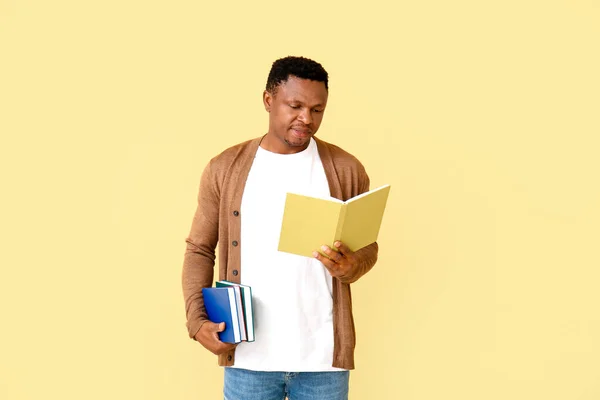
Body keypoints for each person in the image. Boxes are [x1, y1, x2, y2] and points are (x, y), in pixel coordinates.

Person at [182, 56, 379, 400]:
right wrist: (196, 320)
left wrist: (351, 266)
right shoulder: (225, 168)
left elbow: (367, 248)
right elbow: (199, 248)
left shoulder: (346, 169)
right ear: (268, 100)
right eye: (296, 105)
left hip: (322, 362)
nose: (307, 119)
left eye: (317, 110)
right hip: (248, 359)